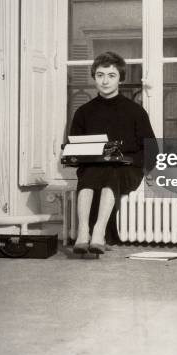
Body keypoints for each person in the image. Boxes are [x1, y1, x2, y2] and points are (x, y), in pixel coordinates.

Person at [69, 51, 156, 254]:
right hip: (93, 169)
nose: (105, 81)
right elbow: (73, 148)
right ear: (94, 77)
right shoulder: (83, 112)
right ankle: (83, 231)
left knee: (110, 168)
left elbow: (152, 151)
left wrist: (124, 159)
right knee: (94, 169)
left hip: (126, 170)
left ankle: (97, 231)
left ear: (120, 78)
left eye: (111, 75)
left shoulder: (135, 111)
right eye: (100, 75)